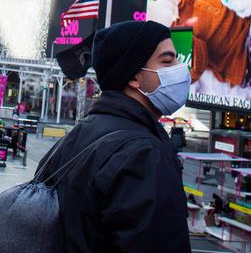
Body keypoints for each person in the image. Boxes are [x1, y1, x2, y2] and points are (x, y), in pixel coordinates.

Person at [37, 21, 191, 252]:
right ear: (134, 77)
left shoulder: (79, 134)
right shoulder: (144, 154)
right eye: (167, 61)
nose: (180, 69)